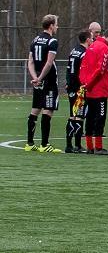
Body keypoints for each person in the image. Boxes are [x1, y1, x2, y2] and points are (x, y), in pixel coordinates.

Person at [25, 14, 62, 153]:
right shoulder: (52, 41)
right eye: (56, 24)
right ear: (51, 25)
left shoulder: (35, 40)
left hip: (38, 81)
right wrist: (40, 78)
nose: (57, 26)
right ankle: (45, 144)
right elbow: (49, 62)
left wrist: (35, 78)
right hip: (49, 80)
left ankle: (29, 143)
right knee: (48, 109)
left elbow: (30, 61)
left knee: (35, 109)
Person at [80, 28, 108, 154]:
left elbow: (83, 66)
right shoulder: (105, 49)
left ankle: (90, 146)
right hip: (99, 89)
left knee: (90, 116)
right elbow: (100, 70)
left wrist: (84, 83)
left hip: (89, 89)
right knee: (100, 117)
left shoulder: (92, 46)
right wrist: (90, 84)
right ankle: (99, 147)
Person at [64, 30, 91, 153]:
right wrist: (83, 85)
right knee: (79, 116)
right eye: (90, 38)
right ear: (87, 39)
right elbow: (82, 72)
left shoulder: (73, 51)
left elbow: (69, 69)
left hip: (71, 87)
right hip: (79, 88)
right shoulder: (85, 53)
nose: (92, 41)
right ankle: (78, 146)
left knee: (72, 115)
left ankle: (69, 145)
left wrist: (68, 83)